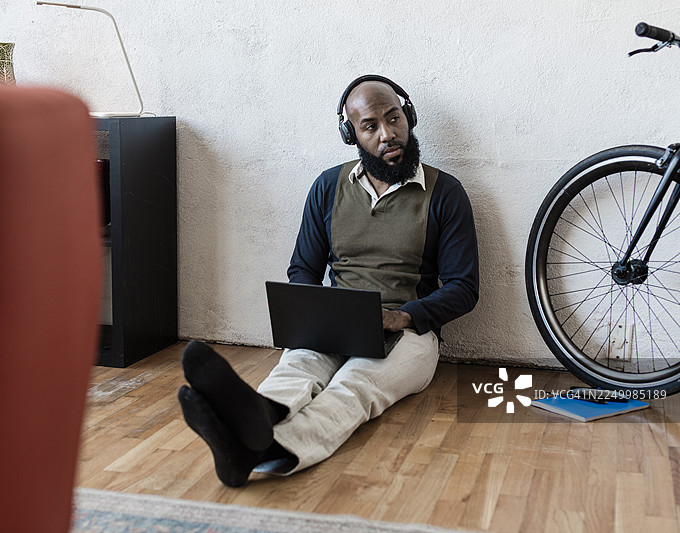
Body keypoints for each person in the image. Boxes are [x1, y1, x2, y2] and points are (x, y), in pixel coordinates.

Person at [178, 74, 479, 487]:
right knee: (298, 368)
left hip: (413, 334)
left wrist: (404, 316)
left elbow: (464, 288)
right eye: (370, 126)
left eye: (394, 119)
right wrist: (311, 315)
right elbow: (303, 269)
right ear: (350, 133)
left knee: (354, 386)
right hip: (337, 322)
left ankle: (266, 448)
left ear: (408, 117)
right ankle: (257, 419)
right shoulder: (327, 187)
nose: (388, 135)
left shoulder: (446, 192)